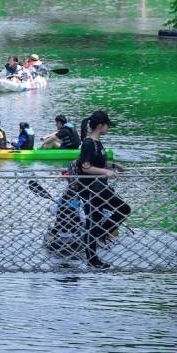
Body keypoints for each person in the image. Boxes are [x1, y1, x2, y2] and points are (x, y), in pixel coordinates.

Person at [72, 110, 130, 269]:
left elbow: (96, 162)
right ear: (100, 126)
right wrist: (107, 172)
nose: (109, 128)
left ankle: (99, 238)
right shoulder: (89, 143)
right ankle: (94, 254)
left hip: (100, 187)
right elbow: (85, 167)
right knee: (116, 212)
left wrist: (114, 166)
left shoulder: (97, 143)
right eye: (107, 125)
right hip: (92, 189)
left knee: (115, 213)